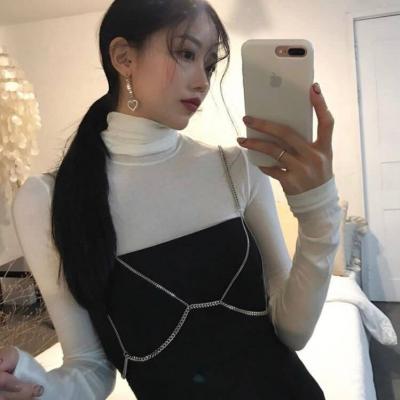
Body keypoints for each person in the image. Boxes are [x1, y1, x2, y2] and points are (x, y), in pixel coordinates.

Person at [0, 0, 341, 398]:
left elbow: (293, 331)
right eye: (186, 54)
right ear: (124, 58)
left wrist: (318, 212)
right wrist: (31, 383)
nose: (203, 82)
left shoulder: (235, 167)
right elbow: (90, 368)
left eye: (209, 65)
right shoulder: (47, 199)